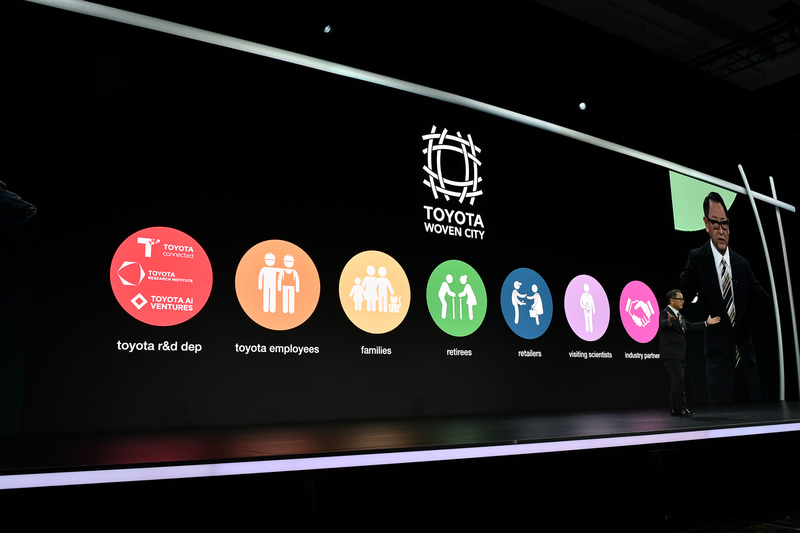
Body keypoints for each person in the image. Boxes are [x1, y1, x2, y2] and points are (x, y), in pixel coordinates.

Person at [680, 192, 769, 404]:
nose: (721, 230)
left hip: (746, 365)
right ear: (706, 224)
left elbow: (763, 302)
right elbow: (685, 294)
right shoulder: (698, 259)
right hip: (719, 365)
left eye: (725, 224)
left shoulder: (741, 264)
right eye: (716, 223)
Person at [659, 289, 720, 417]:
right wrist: (669, 322)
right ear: (672, 300)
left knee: (676, 382)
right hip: (671, 354)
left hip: (680, 354)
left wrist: (706, 323)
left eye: (683, 299)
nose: (683, 301)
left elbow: (690, 326)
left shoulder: (680, 316)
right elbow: (662, 324)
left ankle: (674, 408)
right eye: (680, 299)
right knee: (679, 382)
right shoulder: (665, 313)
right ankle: (681, 408)